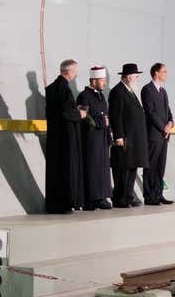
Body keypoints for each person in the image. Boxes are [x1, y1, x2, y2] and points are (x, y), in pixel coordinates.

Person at [42, 59, 87, 214]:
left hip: (54, 136)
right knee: (66, 170)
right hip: (65, 138)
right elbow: (66, 112)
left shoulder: (52, 88)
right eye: (74, 71)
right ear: (68, 71)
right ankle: (64, 203)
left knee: (54, 171)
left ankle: (54, 203)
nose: (75, 74)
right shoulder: (64, 88)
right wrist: (79, 113)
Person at [108, 63, 148, 207]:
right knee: (122, 169)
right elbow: (115, 116)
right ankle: (120, 198)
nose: (138, 79)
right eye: (136, 76)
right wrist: (118, 136)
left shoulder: (130, 91)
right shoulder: (117, 92)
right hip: (125, 137)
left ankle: (128, 196)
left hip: (135, 138)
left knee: (132, 167)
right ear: (129, 77)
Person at [77, 67, 114, 210]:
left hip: (102, 137)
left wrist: (109, 134)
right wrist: (100, 122)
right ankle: (90, 199)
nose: (104, 83)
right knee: (92, 168)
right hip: (91, 138)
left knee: (103, 168)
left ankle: (101, 197)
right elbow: (84, 117)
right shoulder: (84, 96)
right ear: (94, 81)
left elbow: (106, 116)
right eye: (102, 80)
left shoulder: (101, 96)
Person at [140, 62, 175, 205]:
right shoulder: (147, 89)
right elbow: (150, 112)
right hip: (154, 134)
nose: (166, 74)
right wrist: (163, 127)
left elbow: (168, 111)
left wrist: (170, 123)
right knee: (151, 165)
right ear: (156, 73)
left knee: (161, 166)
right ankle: (149, 196)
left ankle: (158, 194)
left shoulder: (163, 91)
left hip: (164, 135)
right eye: (164, 71)